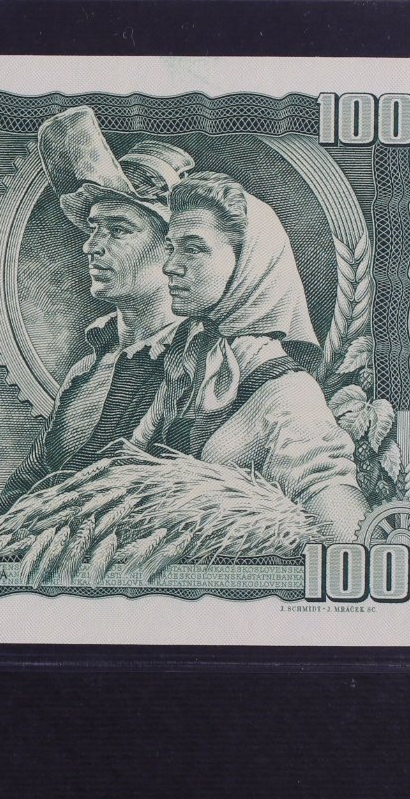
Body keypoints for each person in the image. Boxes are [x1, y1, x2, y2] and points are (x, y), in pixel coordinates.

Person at [131, 171, 369, 542]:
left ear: (249, 263)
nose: (170, 266)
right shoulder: (189, 363)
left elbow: (348, 538)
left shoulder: (290, 395)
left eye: (193, 248)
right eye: (171, 248)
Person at [0, 108, 196, 521]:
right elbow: (26, 486)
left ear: (171, 248)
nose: (91, 245)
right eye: (94, 228)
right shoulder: (86, 371)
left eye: (118, 230)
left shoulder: (208, 362)